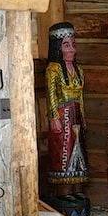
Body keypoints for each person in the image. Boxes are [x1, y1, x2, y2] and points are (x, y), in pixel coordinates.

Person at [45, 22, 88, 188]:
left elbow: (80, 96)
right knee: (63, 152)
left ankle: (76, 189)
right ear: (58, 47)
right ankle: (63, 191)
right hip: (62, 115)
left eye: (73, 45)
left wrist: (83, 117)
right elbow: (50, 95)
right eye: (66, 45)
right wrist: (54, 117)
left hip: (76, 115)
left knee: (78, 150)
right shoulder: (53, 69)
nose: (72, 49)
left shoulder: (79, 70)